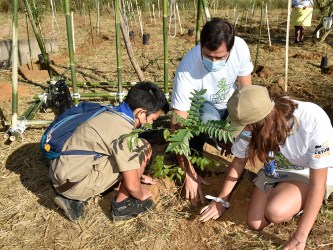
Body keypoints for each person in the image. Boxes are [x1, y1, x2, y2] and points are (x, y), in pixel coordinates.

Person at [199, 85, 333, 250]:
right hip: (276, 166)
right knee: (255, 223)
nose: (243, 131)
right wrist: (221, 200)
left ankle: (300, 201)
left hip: (309, 170)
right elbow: (239, 161)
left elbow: (318, 183)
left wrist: (300, 237)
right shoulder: (253, 124)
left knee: (275, 211)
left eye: (245, 127)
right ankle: (285, 190)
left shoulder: (312, 119)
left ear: (260, 123)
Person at [49, 82, 169, 221]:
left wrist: (139, 176)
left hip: (61, 173)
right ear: (141, 113)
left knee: (131, 152)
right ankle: (122, 206)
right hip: (73, 185)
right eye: (152, 119)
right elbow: (131, 185)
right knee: (142, 147)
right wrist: (141, 193)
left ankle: (73, 196)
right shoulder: (122, 130)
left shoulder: (111, 112)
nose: (152, 124)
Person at [170, 17, 254, 205]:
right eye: (208, 56)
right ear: (201, 45)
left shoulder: (239, 47)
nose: (213, 62)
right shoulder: (187, 69)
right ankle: (202, 150)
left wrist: (239, 131)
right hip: (204, 109)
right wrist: (189, 173)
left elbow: (246, 94)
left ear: (230, 50)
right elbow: (177, 126)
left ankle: (224, 141)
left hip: (231, 105)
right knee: (206, 117)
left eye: (219, 57)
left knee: (250, 123)